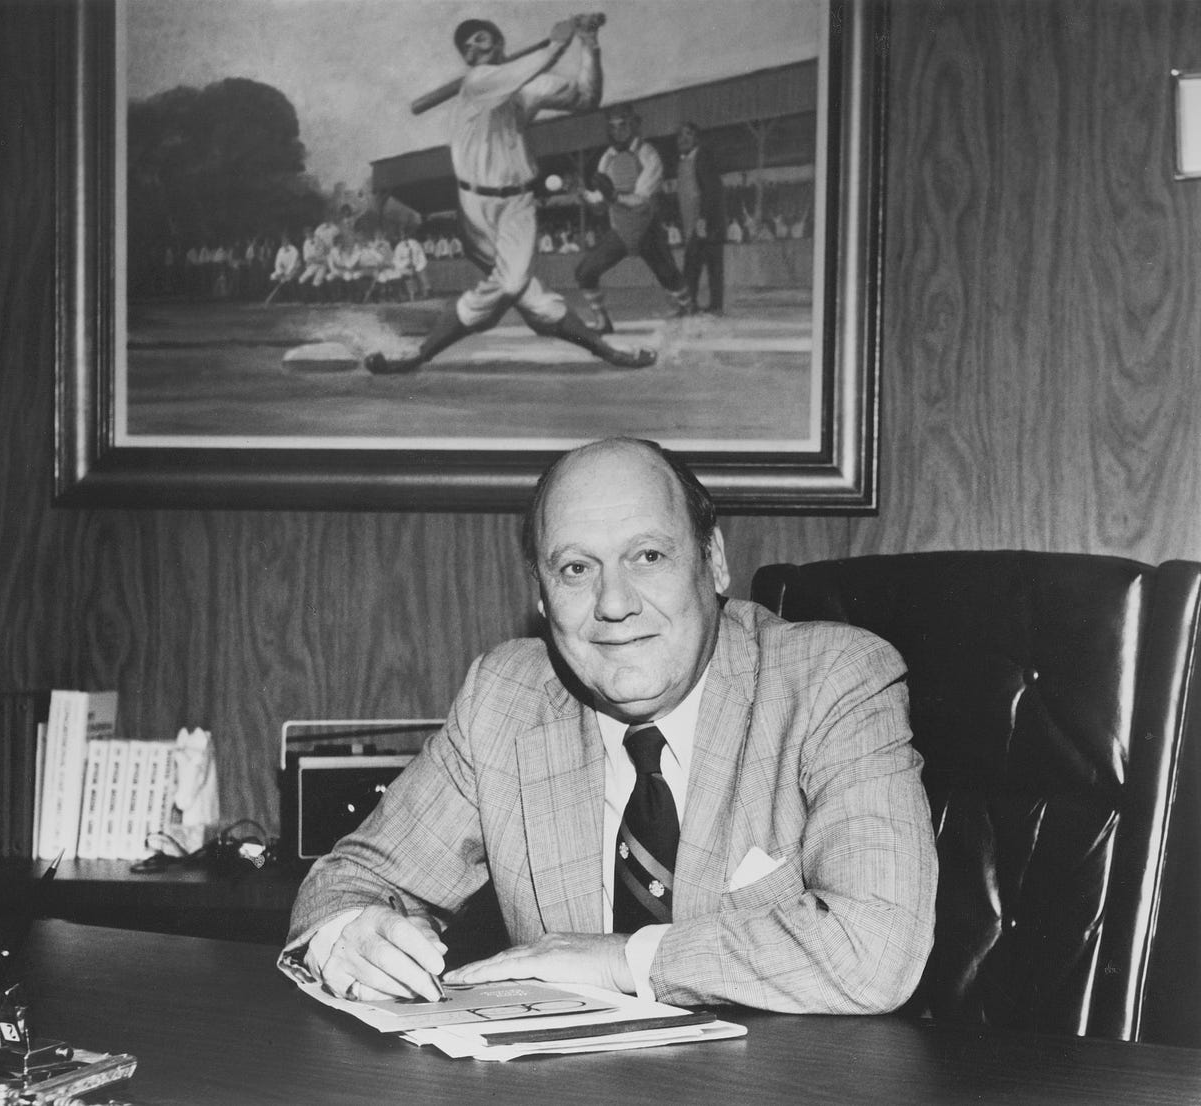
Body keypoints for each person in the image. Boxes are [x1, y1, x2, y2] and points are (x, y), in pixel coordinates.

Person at [283, 437, 938, 1014]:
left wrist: (625, 960)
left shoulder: (833, 679)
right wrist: (351, 933)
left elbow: (875, 948)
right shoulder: (506, 699)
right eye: (576, 569)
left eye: (647, 555)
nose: (615, 604)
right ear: (541, 598)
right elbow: (348, 881)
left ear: (713, 563)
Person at [364, 16, 657, 375]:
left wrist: (588, 44)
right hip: (473, 208)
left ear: (500, 44)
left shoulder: (527, 87)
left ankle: (418, 356)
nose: (472, 48)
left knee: (523, 292)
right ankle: (607, 351)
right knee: (514, 287)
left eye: (480, 40)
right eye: (466, 46)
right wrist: (554, 46)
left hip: (516, 206)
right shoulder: (476, 82)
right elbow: (522, 71)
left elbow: (587, 97)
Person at [576, 105, 693, 334]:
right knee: (584, 272)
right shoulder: (607, 157)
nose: (617, 131)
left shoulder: (648, 153)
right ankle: (603, 321)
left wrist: (612, 196)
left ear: (634, 125)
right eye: (613, 127)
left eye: (623, 125)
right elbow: (601, 203)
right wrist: (587, 197)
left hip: (646, 228)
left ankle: (689, 311)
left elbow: (641, 200)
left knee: (670, 277)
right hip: (620, 229)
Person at [675, 121, 728, 315]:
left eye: (688, 134)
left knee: (698, 265)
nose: (683, 138)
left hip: (705, 223)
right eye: (680, 135)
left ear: (697, 138)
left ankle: (704, 306)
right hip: (693, 224)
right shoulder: (683, 162)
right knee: (696, 264)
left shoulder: (703, 157)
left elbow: (712, 190)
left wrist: (703, 219)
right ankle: (700, 305)